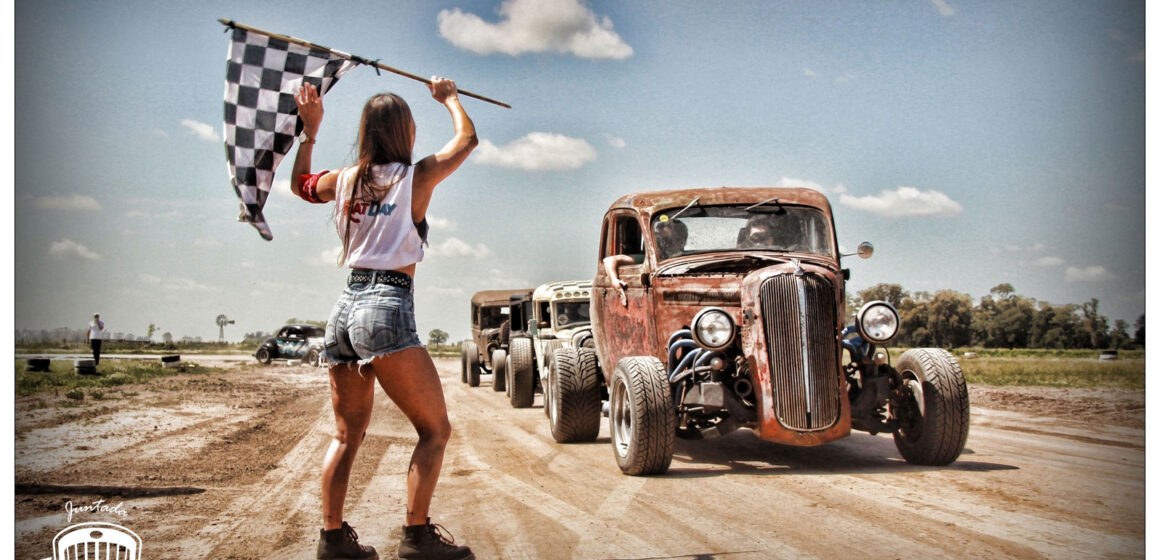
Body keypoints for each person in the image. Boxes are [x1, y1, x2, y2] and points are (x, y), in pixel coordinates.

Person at [291, 77, 477, 560]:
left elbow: (302, 185)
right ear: (406, 132)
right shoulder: (415, 176)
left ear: (366, 132)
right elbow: (467, 140)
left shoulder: (345, 180)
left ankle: (332, 541)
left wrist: (310, 132)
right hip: (387, 304)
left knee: (345, 435)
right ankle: (416, 537)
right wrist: (449, 98)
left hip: (344, 306)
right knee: (435, 431)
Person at [603, 218, 686, 306]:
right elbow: (609, 260)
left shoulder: (687, 258)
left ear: (683, 241)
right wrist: (614, 280)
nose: (674, 244)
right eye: (665, 241)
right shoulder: (649, 259)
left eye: (676, 239)